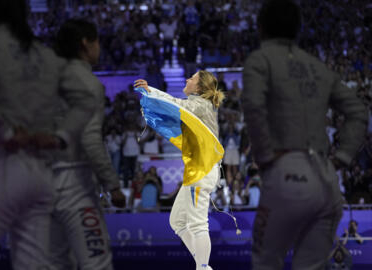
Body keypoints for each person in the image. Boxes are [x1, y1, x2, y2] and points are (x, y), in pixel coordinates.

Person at [0, 0, 95, 269]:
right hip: (40, 175)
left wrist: (5, 132)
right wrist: (59, 137)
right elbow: (85, 100)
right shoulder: (47, 57)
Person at [240, 1, 369, 269]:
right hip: (327, 179)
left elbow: (253, 106)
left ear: (260, 28)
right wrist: (343, 157)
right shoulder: (318, 67)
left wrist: (264, 158)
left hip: (286, 173)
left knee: (266, 263)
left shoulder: (260, 60)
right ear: (298, 29)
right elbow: (358, 111)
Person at [42, 18, 125, 270]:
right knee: (97, 262)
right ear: (85, 44)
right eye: (96, 41)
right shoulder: (88, 85)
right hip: (74, 185)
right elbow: (90, 140)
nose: (99, 47)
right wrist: (112, 185)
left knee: (55, 264)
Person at [134, 70, 225, 270]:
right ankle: (203, 266)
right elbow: (175, 114)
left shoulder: (201, 104)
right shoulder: (200, 105)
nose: (187, 79)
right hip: (197, 170)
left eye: (191, 78)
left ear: (199, 87)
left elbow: (178, 106)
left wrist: (152, 92)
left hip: (202, 170)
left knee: (198, 224)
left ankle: (202, 267)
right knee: (177, 221)